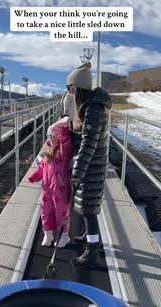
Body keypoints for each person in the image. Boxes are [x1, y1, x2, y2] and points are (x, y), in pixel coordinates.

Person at [66, 62, 112, 266]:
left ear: (78, 88)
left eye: (70, 88)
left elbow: (89, 143)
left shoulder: (93, 109)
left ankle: (92, 251)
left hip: (91, 166)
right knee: (88, 205)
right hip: (93, 165)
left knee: (88, 209)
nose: (69, 92)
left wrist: (78, 171)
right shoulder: (92, 106)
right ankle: (88, 237)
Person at [28, 117, 73, 248]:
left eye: (51, 136)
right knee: (45, 211)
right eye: (48, 136)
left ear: (58, 136)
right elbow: (42, 168)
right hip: (46, 188)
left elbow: (66, 146)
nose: (49, 139)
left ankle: (64, 236)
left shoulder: (63, 153)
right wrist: (35, 176)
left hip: (60, 188)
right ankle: (48, 235)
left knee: (61, 212)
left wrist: (65, 133)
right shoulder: (48, 153)